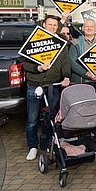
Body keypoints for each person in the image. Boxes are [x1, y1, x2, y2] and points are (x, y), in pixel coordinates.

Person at [22, 15, 71, 161]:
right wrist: (38, 68)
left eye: (55, 25)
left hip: (52, 85)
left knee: (50, 118)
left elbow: (65, 63)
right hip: (34, 85)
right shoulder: (34, 40)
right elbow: (25, 64)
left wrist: (66, 76)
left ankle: (47, 144)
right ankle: (32, 146)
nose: (52, 27)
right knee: (32, 119)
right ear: (44, 24)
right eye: (50, 24)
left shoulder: (61, 43)